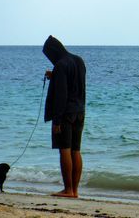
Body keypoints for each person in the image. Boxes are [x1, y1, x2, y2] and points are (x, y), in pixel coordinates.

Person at [42, 35, 86, 198]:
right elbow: (74, 83)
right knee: (76, 150)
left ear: (53, 52)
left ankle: (67, 190)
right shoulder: (79, 61)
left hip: (65, 113)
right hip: (80, 111)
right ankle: (75, 191)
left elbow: (61, 95)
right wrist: (54, 76)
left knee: (64, 150)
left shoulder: (60, 65)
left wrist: (57, 120)